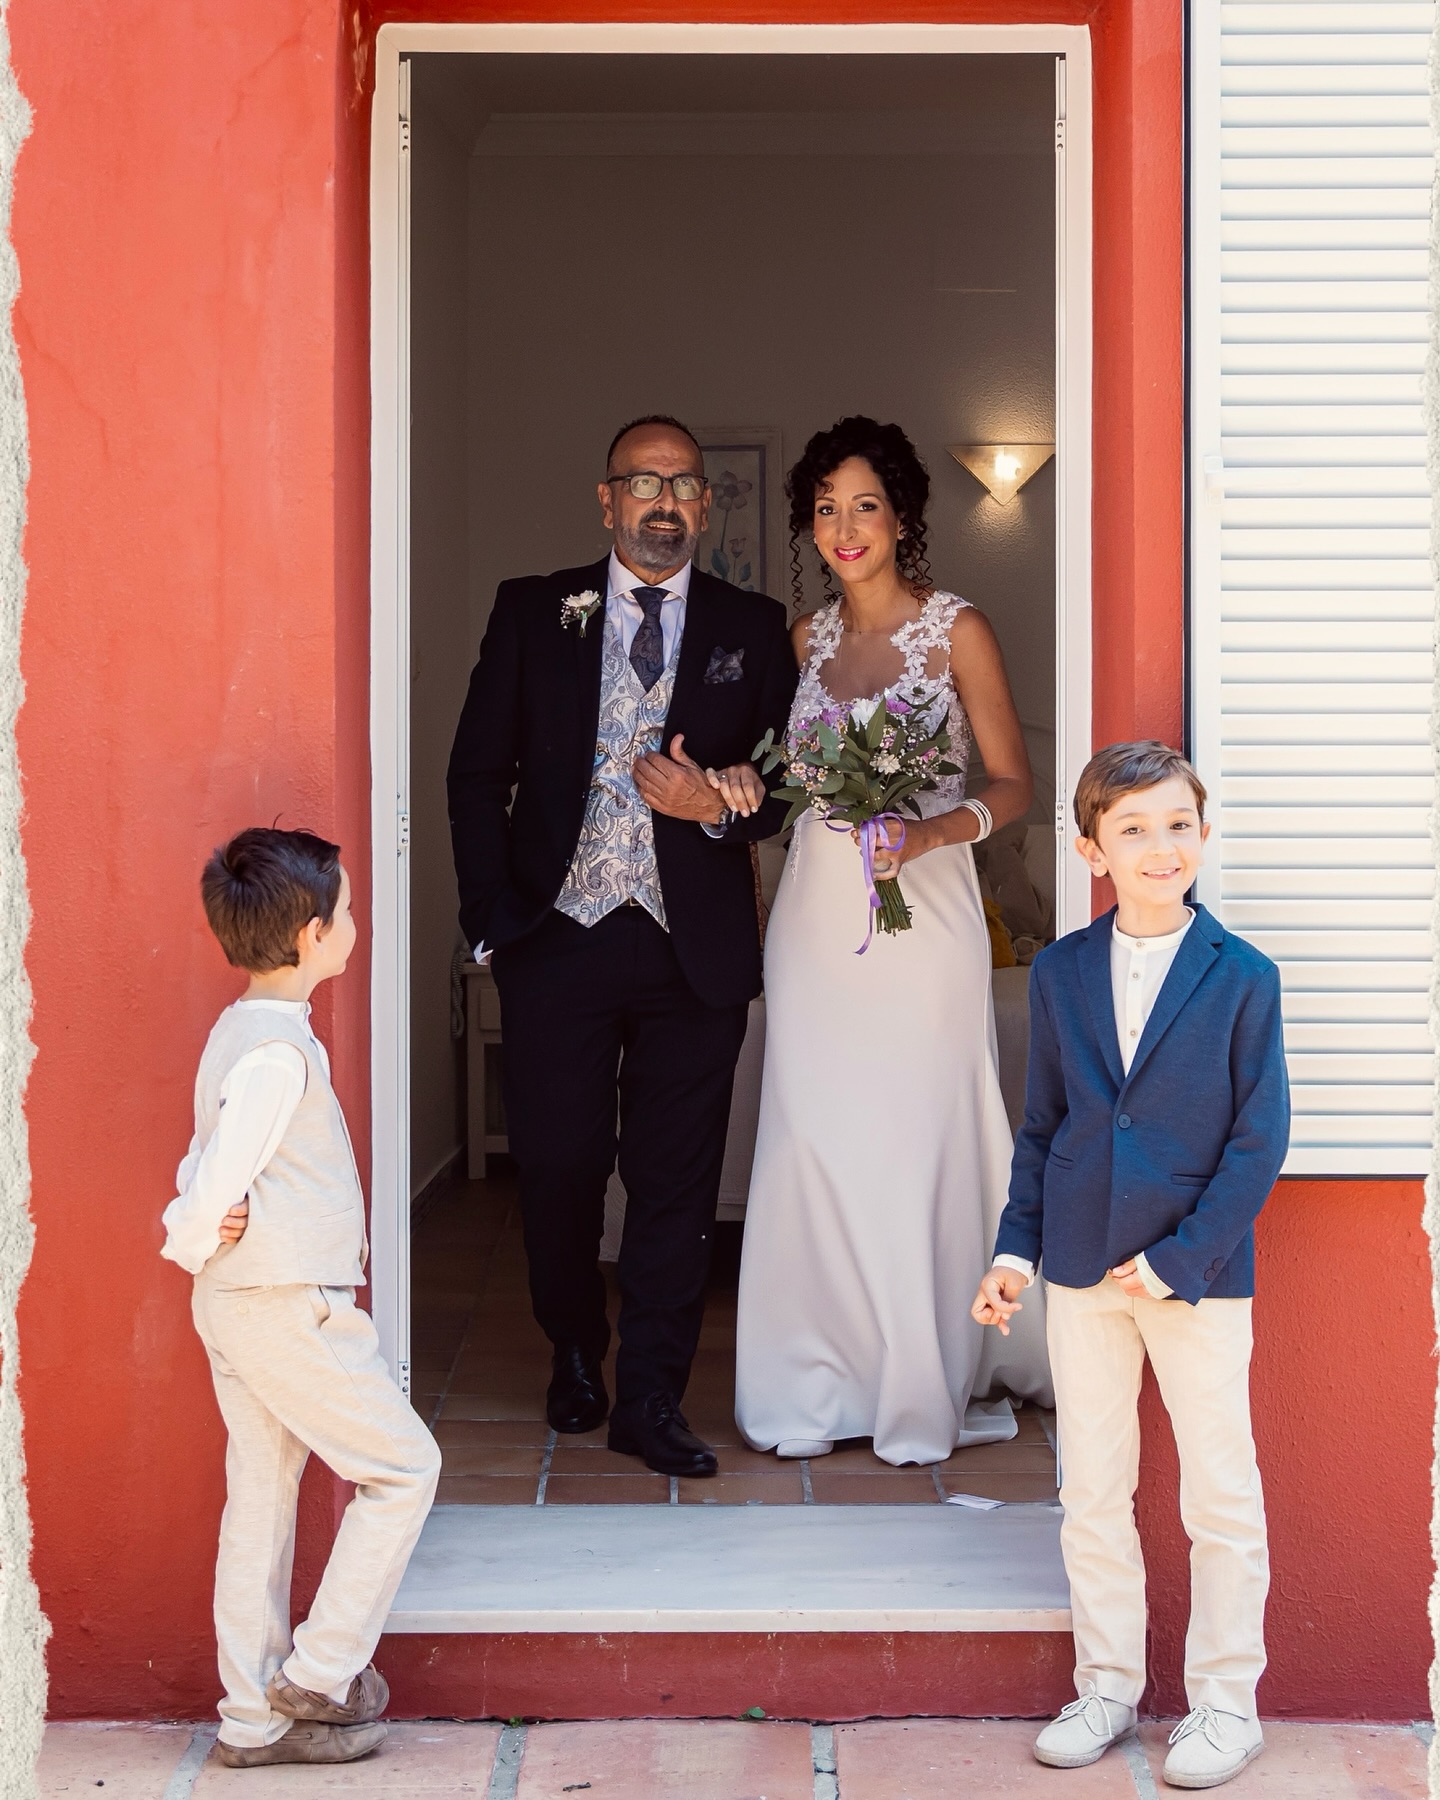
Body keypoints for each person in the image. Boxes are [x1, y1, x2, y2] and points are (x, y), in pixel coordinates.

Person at [446, 414, 797, 1478]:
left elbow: (785, 786)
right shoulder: (532, 609)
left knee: (675, 1181)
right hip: (557, 937)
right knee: (557, 1166)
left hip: (694, 951)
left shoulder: (754, 625)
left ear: (706, 505)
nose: (664, 502)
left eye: (684, 485)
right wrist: (492, 920)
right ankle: (572, 1348)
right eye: (643, 483)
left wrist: (720, 804)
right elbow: (475, 775)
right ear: (607, 501)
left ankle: (650, 1396)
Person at [731, 415, 1052, 1467]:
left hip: (928, 911)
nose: (845, 527)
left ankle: (922, 1374)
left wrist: (928, 833)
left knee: (917, 1135)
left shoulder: (957, 629)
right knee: (815, 1134)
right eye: (826, 509)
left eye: (865, 505)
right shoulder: (803, 642)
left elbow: (1015, 783)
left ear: (903, 517)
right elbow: (776, 785)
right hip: (818, 915)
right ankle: (817, 1378)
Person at [973, 742, 1289, 1789]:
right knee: (1094, 1488)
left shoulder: (1243, 977)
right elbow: (1046, 1126)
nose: (1162, 847)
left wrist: (1178, 1259)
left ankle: (1226, 1705)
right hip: (1079, 1269)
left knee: (1220, 1494)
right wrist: (1015, 1250)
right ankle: (1106, 1685)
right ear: (1091, 850)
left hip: (1197, 1276)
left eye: (1179, 825)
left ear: (1204, 835)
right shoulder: (1062, 971)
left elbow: (1258, 1143)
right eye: (1135, 829)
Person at [161, 828, 440, 1767]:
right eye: (348, 911)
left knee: (260, 1497)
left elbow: (206, 1153)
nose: (356, 923)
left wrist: (203, 1216)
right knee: (404, 1468)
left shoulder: (242, 1030)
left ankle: (252, 1721)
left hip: (244, 1303)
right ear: (312, 935)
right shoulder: (276, 1055)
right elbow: (213, 1178)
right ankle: (319, 1676)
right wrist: (191, 1230)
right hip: (284, 1304)